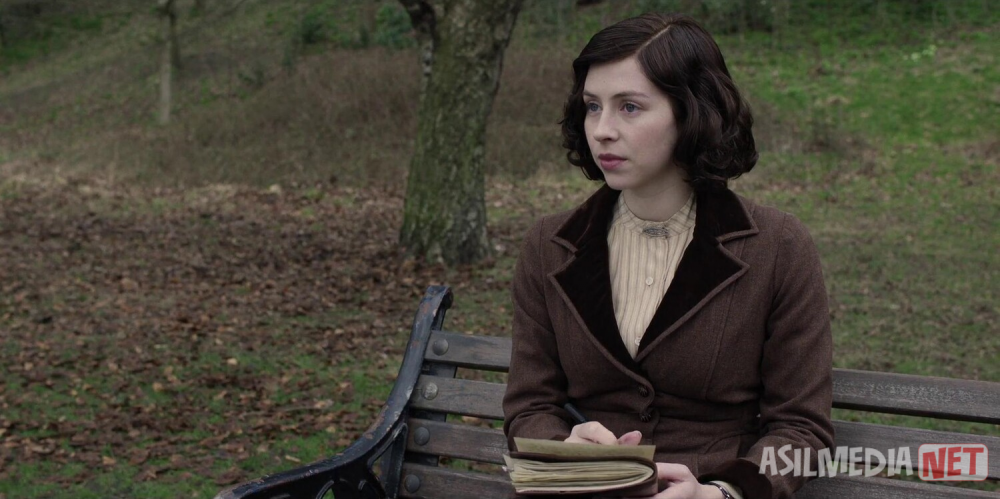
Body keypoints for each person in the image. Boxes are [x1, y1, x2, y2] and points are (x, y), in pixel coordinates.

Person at [502, 13, 834, 499]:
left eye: (629, 107)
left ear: (692, 112)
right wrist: (565, 451)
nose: (602, 130)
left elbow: (803, 431)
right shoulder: (549, 245)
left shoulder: (778, 247)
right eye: (592, 106)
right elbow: (529, 407)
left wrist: (722, 492)